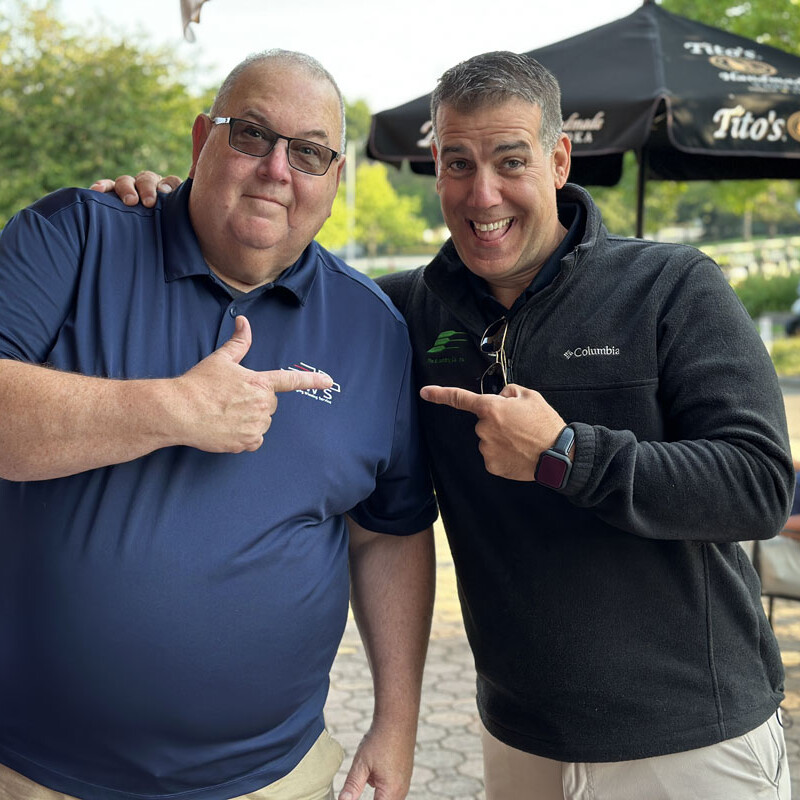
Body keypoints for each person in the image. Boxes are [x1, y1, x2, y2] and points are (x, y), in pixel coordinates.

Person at [100, 50, 796, 800]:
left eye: (510, 160)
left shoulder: (671, 285)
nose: (482, 192)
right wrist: (182, 205)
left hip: (693, 740)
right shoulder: (403, 310)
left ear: (560, 160)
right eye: (457, 163)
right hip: (518, 737)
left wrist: (566, 454)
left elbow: (759, 486)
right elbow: (276, 271)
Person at [0, 50, 437, 800]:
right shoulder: (75, 237)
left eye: (309, 153)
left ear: (334, 182)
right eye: (250, 134)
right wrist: (172, 408)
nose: (276, 168)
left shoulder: (373, 327)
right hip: (34, 772)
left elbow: (388, 532)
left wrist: (397, 725)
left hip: (273, 779)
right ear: (203, 137)